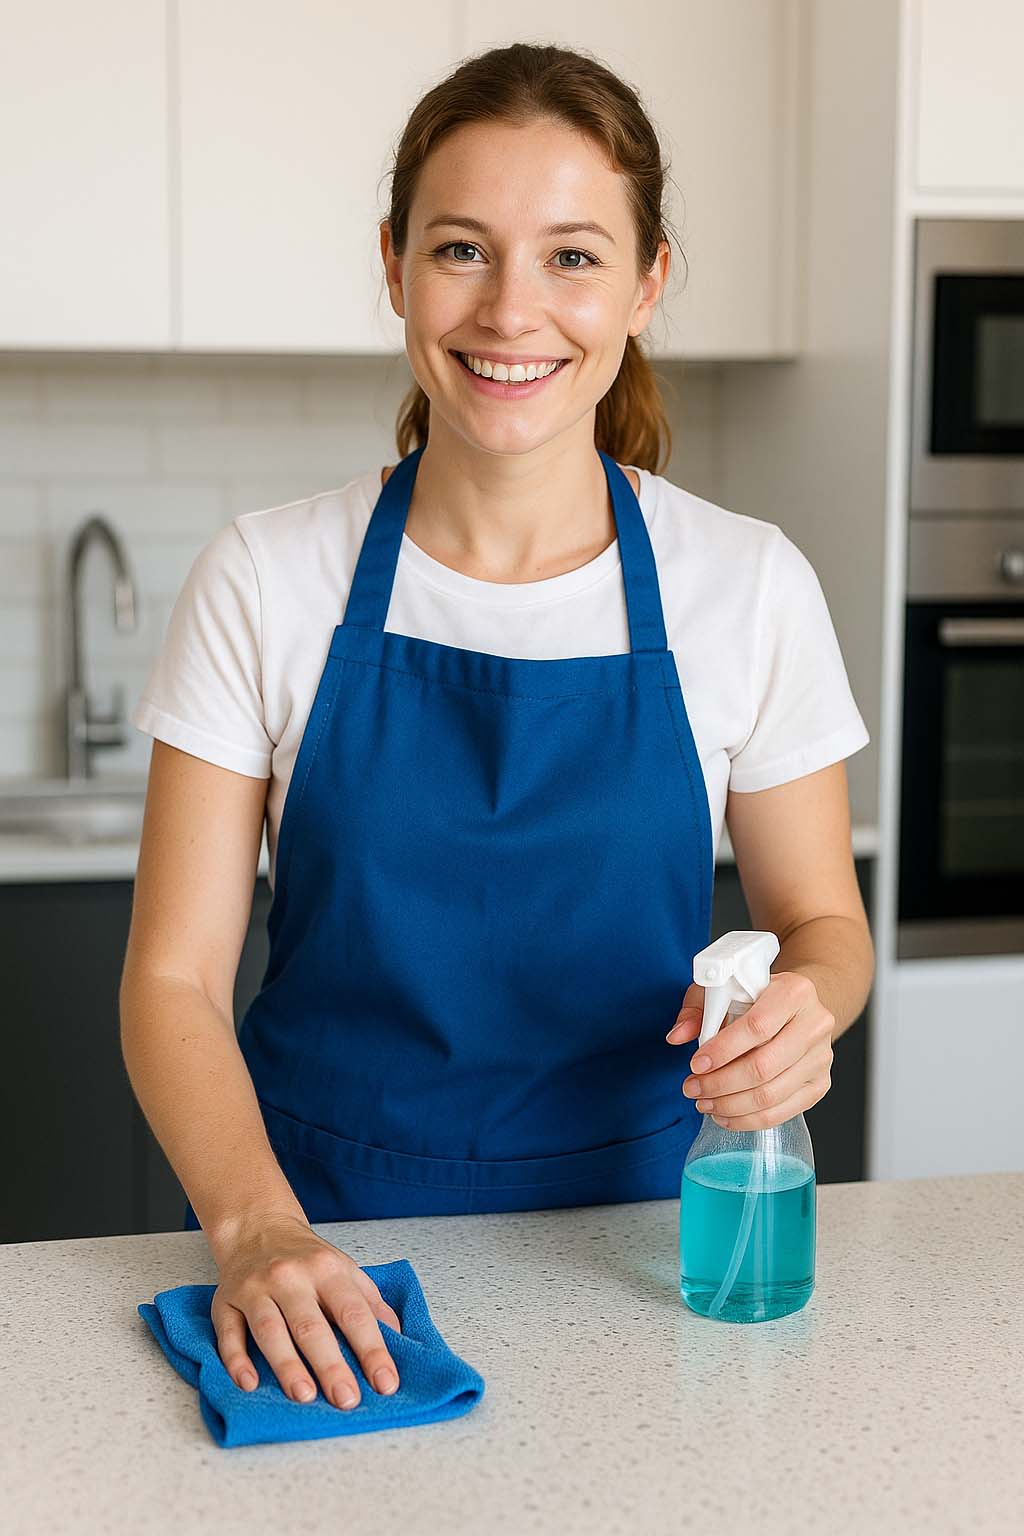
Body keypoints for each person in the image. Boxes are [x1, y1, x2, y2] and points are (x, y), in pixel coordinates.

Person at [120, 42, 874, 1416]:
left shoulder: (744, 583)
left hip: (652, 1253)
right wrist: (257, 1230)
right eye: (463, 248)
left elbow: (823, 923)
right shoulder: (269, 576)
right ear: (396, 261)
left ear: (648, 282)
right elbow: (171, 981)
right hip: (320, 1259)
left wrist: (808, 1009)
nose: (513, 309)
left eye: (574, 256)